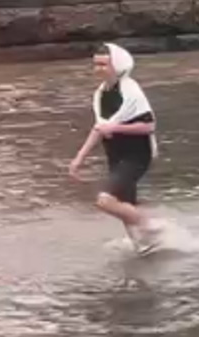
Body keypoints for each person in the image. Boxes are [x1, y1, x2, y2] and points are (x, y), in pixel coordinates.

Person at [69, 43, 160, 253]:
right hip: (115, 154)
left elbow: (149, 125)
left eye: (103, 64)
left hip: (136, 154)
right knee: (125, 203)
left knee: (105, 201)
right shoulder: (100, 94)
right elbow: (99, 127)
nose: (98, 69)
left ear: (116, 65)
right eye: (96, 65)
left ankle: (151, 225)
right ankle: (145, 246)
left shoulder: (130, 90)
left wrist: (116, 126)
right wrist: (79, 159)